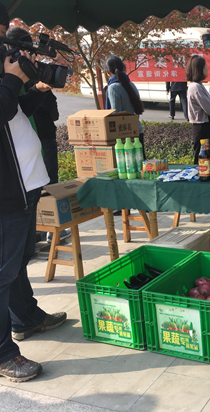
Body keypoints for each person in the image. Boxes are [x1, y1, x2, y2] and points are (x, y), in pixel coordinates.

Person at [0, 4, 67, 383]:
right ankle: (3, 353)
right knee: (3, 272)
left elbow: (14, 112)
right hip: (6, 193)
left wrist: (37, 88)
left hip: (25, 185)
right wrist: (12, 79)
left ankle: (26, 318)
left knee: (19, 260)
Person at [6, 27, 68, 243]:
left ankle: (42, 232)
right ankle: (49, 230)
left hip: (32, 177)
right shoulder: (10, 80)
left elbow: (20, 110)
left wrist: (39, 88)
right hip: (16, 185)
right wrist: (14, 79)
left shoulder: (17, 80)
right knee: (13, 260)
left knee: (24, 251)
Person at [104, 55, 145, 156]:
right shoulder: (131, 85)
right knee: (140, 163)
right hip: (137, 131)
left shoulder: (113, 88)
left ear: (107, 72)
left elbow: (116, 114)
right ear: (124, 68)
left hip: (123, 137)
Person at [186, 55, 210, 163]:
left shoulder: (198, 85)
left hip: (205, 125)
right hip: (202, 126)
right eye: (205, 67)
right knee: (203, 159)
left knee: (208, 157)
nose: (207, 69)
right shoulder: (195, 87)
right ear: (199, 69)